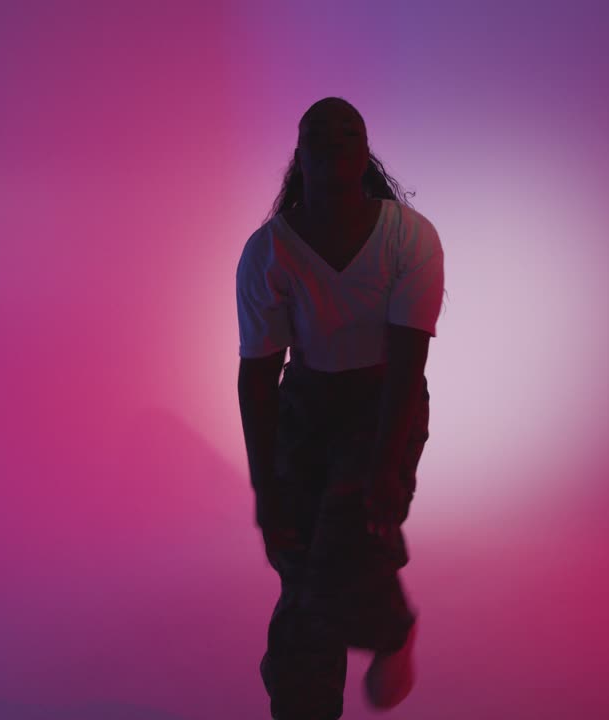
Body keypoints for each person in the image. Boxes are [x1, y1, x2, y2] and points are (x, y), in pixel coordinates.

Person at [236, 97, 445, 719]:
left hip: (383, 403)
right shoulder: (268, 251)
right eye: (316, 134)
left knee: (340, 545)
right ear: (298, 156)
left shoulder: (409, 237)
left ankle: (390, 629)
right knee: (299, 564)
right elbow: (258, 376)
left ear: (365, 152)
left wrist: (386, 463)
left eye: (347, 132)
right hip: (305, 405)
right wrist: (265, 489)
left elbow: (408, 362)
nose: (332, 141)